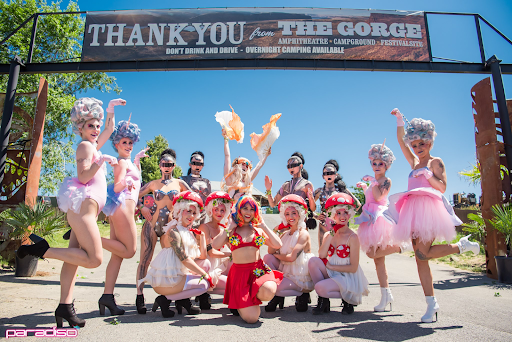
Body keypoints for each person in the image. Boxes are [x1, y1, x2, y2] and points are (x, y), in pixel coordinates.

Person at [17, 97, 123, 327]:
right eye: (90, 125)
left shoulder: (94, 145)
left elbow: (110, 128)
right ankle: (42, 250)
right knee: (94, 259)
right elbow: (84, 176)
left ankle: (65, 306)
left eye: (97, 125)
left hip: (86, 212)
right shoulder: (86, 147)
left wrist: (110, 108)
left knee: (73, 260)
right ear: (80, 127)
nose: (96, 130)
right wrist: (101, 160)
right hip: (83, 213)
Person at [386, 108, 480, 323]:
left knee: (423, 254)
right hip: (412, 212)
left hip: (429, 212)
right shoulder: (413, 162)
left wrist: (428, 175)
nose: (418, 148)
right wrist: (400, 121)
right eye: (415, 144)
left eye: (422, 143)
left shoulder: (435, 162)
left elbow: (443, 187)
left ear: (430, 142)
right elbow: (401, 142)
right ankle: (431, 304)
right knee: (420, 259)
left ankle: (462, 247)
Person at [138, 191, 212, 317]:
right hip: (167, 280)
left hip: (177, 276)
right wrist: (205, 275)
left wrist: (203, 237)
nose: (191, 215)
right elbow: (184, 259)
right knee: (204, 285)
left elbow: (203, 257)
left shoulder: (187, 230)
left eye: (194, 213)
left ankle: (183, 301)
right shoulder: (174, 230)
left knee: (205, 264)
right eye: (188, 211)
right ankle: (165, 299)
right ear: (179, 210)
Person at [134, 149, 190, 314]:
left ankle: (171, 298)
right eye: (164, 164)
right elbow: (133, 195)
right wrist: (142, 207)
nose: (167, 166)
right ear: (160, 165)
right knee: (144, 260)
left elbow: (196, 198)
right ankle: (139, 296)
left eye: (170, 164)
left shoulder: (180, 184)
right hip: (152, 225)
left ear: (174, 166)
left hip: (170, 227)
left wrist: (184, 214)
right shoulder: (153, 184)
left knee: (172, 263)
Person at [99, 119, 146, 316]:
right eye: (124, 142)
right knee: (129, 251)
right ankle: (91, 237)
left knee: (117, 256)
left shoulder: (128, 161)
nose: (128, 146)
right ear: (116, 143)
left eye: (131, 143)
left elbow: (137, 179)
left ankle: (107, 296)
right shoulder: (120, 162)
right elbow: (117, 185)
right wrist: (125, 182)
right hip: (123, 206)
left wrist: (137, 160)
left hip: (122, 206)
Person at [212, 195, 283, 324]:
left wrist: (264, 226)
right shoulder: (232, 231)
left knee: (268, 291)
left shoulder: (257, 229)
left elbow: (277, 244)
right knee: (252, 319)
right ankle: (242, 302)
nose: (248, 212)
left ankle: (251, 296)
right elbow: (215, 245)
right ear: (239, 210)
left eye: (252, 209)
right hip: (240, 275)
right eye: (245, 208)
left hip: (258, 272)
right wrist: (228, 227)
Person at [355, 143, 407, 312]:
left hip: (380, 218)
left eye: (380, 164)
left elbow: (378, 197)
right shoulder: (375, 181)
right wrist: (365, 187)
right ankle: (386, 296)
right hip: (370, 218)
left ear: (386, 165)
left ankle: (401, 247)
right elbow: (369, 197)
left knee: (371, 253)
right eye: (374, 163)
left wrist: (372, 182)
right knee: (378, 261)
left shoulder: (386, 181)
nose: (376, 166)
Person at [307, 193, 369, 315]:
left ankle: (347, 300)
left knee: (319, 287)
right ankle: (323, 300)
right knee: (313, 261)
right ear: (333, 215)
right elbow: (322, 256)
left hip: (347, 276)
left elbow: (353, 267)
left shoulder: (353, 237)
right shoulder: (328, 234)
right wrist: (331, 234)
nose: (342, 216)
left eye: (345, 212)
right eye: (338, 213)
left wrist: (331, 267)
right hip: (333, 273)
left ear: (350, 214)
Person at [263, 194, 314, 312]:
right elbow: (270, 251)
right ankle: (278, 297)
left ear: (300, 214)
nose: (290, 217)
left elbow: (291, 258)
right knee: (267, 257)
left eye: (293, 213)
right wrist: (275, 230)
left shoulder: (303, 234)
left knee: (275, 288)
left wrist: (277, 255)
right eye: (287, 214)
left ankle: (302, 294)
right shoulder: (285, 234)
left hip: (299, 275)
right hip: (286, 271)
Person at [197, 191, 233, 309]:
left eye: (222, 210)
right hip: (209, 267)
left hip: (221, 265)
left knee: (240, 270)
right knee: (233, 284)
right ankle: (204, 292)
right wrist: (230, 254)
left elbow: (233, 247)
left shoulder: (224, 229)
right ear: (210, 210)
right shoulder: (204, 227)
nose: (219, 213)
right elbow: (210, 252)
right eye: (216, 209)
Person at [314, 159, 360, 247]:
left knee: (340, 252)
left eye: (331, 173)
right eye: (326, 173)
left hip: (340, 226)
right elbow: (306, 207)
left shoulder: (342, 190)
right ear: (322, 176)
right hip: (324, 226)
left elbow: (357, 205)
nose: (328, 175)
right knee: (323, 254)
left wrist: (346, 215)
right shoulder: (319, 191)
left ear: (336, 174)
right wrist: (316, 216)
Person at [221, 128, 270, 203]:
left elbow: (258, 167)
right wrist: (225, 139)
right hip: (232, 212)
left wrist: (266, 155)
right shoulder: (230, 179)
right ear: (236, 166)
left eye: (248, 165)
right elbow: (227, 156)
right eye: (242, 163)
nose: (245, 166)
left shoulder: (248, 180)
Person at [181, 151, 211, 226]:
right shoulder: (182, 180)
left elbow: (209, 201)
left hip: (202, 217)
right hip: (186, 217)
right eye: (195, 163)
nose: (197, 166)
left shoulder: (207, 182)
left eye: (200, 164)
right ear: (190, 164)